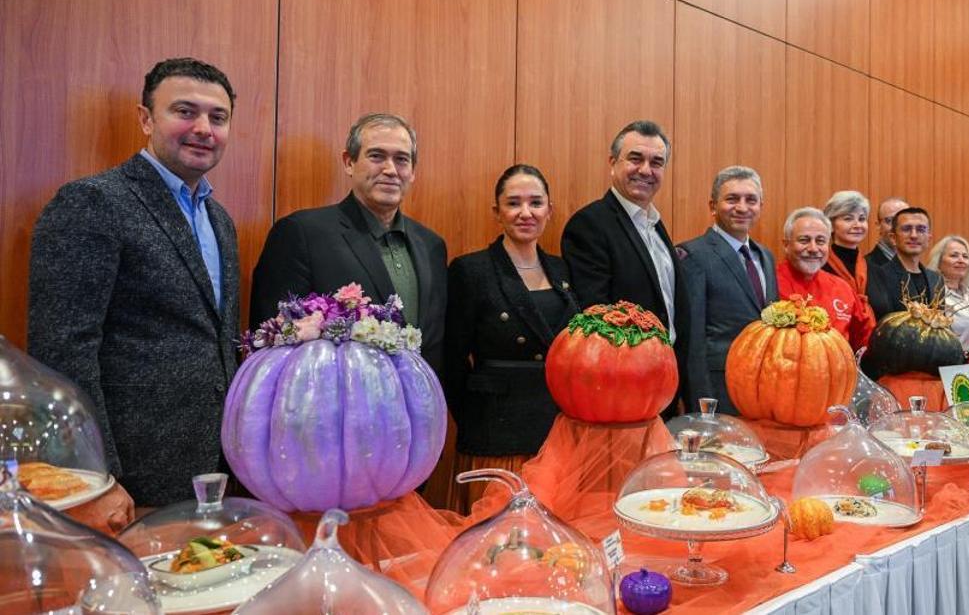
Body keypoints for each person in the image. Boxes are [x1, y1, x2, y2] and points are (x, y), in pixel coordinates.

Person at [27, 58, 241, 506]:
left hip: (211, 469)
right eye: (185, 111)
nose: (204, 128)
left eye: (217, 117)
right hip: (128, 477)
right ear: (145, 118)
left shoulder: (219, 220)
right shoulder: (93, 202)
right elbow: (62, 351)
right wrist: (95, 477)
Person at [250, 113, 448, 373]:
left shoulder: (432, 245)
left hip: (412, 409)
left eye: (402, 159)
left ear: (412, 172)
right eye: (376, 156)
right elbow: (273, 339)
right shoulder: (301, 233)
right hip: (332, 405)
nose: (390, 170)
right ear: (349, 162)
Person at [442, 165, 579, 513]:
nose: (525, 213)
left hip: (556, 425)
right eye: (513, 203)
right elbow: (452, 359)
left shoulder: (563, 270)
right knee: (496, 541)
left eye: (535, 203)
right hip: (495, 428)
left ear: (550, 210)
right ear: (497, 212)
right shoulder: (470, 270)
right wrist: (472, 414)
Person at [561, 120, 689, 410]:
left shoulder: (654, 225)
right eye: (635, 158)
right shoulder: (590, 225)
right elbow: (597, 315)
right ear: (612, 162)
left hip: (663, 383)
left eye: (656, 162)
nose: (646, 170)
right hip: (621, 388)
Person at [680, 166, 778, 414]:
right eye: (732, 199)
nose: (742, 208)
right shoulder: (693, 255)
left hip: (764, 386)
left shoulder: (765, 256)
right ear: (713, 206)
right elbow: (693, 339)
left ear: (760, 207)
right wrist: (701, 402)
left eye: (751, 200)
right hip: (718, 389)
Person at [775, 207, 872, 350]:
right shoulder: (768, 282)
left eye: (820, 241)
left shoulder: (842, 288)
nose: (813, 248)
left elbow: (864, 338)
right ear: (786, 245)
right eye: (804, 240)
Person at [819, 191, 877, 350]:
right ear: (831, 224)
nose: (857, 225)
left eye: (862, 219)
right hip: (830, 347)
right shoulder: (818, 266)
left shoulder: (873, 268)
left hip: (868, 350)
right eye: (848, 219)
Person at [867, 207, 944, 320]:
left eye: (921, 229)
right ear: (893, 238)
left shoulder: (936, 279)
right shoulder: (879, 276)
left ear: (929, 238)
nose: (914, 235)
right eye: (906, 229)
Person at [930, 235, 969, 353]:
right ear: (939, 262)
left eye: (965, 256)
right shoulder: (934, 296)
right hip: (950, 364)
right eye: (954, 255)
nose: (961, 260)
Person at [865, 196, 909, 267]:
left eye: (904, 220)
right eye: (890, 220)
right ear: (878, 225)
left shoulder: (915, 265)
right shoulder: (866, 266)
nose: (897, 227)